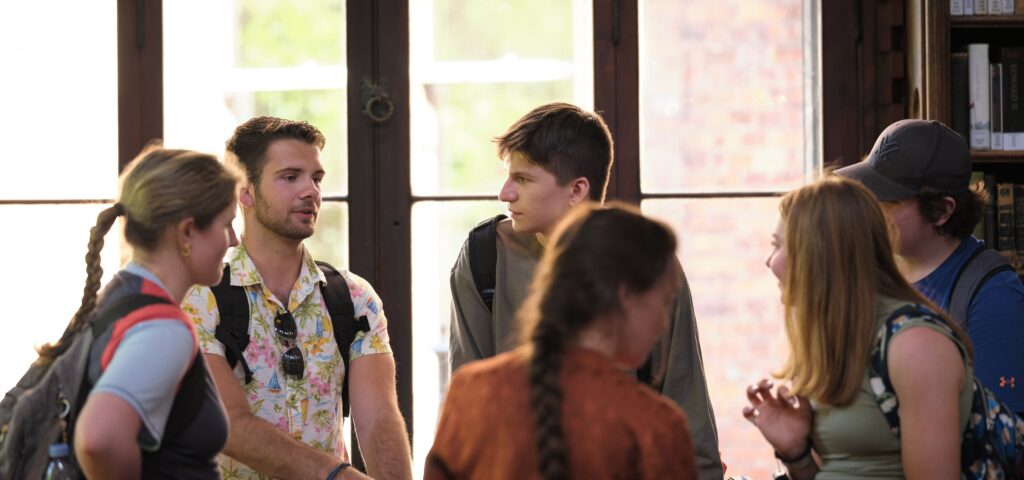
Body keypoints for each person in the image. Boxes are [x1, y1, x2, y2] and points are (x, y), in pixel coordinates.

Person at [447, 102, 722, 478]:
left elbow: (685, 396)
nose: (505, 193)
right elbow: (467, 418)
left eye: (523, 179)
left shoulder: (646, 262)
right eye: (508, 176)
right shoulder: (482, 257)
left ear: (577, 190)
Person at [183, 116, 412, 480]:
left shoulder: (353, 297)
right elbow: (231, 423)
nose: (311, 191)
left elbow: (379, 419)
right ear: (245, 191)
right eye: (291, 177)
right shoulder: (199, 299)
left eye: (316, 178)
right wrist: (339, 477)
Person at [428, 203, 698, 479]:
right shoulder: (656, 428)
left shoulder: (471, 393)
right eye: (663, 302)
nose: (664, 323)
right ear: (626, 296)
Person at [745, 177, 973, 478]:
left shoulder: (915, 344)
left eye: (777, 245)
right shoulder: (837, 337)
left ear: (816, 253)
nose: (768, 261)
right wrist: (796, 453)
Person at [57, 146, 241, 478]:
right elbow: (99, 438)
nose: (234, 240)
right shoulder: (163, 329)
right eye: (227, 224)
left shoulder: (119, 295)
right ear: (187, 232)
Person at [836, 119, 1024, 412]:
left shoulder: (993, 294)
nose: (869, 209)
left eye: (887, 200)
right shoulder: (869, 270)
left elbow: (1003, 437)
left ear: (941, 211)